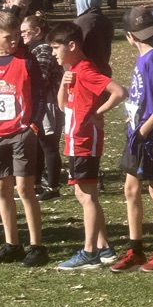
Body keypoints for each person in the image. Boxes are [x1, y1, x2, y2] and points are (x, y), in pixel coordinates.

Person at [50, 22, 127, 270]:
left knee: (87, 196)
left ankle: (90, 252)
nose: (53, 53)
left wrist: (98, 111)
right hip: (74, 140)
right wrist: (63, 81)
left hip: (85, 140)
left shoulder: (86, 71)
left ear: (71, 46)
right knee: (82, 195)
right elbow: (62, 106)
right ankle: (104, 247)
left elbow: (118, 92)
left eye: (55, 47)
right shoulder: (73, 71)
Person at [110, 7, 153, 273]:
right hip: (137, 134)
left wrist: (142, 133)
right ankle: (135, 249)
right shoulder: (143, 59)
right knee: (131, 191)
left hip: (150, 137)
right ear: (130, 37)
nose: (146, 39)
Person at [0, 11, 47, 267]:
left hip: (21, 133)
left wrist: (34, 124)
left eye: (18, 35)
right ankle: (12, 244)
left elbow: (41, 94)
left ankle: (37, 245)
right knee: (2, 189)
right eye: (9, 37)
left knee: (24, 189)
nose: (15, 41)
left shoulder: (27, 60)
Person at [20, 14, 63, 200]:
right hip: (39, 103)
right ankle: (36, 184)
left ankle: (53, 188)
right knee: (37, 144)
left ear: (36, 31)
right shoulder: (34, 49)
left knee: (49, 145)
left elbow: (42, 79)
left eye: (24, 31)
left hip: (49, 103)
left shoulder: (43, 49)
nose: (21, 35)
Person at [74, 0, 114, 76]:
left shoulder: (80, 23)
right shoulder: (106, 21)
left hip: (86, 74)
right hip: (103, 72)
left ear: (83, 0)